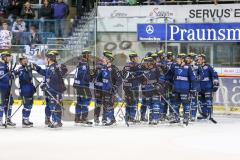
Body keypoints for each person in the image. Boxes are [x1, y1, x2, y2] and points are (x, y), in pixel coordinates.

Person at [33, 50, 68, 128]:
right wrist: (37, 68)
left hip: (54, 91)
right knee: (51, 105)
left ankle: (56, 121)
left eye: (46, 58)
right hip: (50, 90)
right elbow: (46, 74)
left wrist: (46, 85)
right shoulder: (50, 67)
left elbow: (54, 80)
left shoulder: (54, 67)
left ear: (49, 59)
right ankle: (52, 120)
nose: (45, 59)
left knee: (55, 105)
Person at [94, 51, 122, 126]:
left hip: (110, 90)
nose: (103, 59)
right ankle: (106, 119)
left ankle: (111, 120)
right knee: (106, 105)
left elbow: (119, 80)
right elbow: (98, 79)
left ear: (109, 60)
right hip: (103, 90)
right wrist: (97, 84)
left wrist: (115, 87)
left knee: (109, 105)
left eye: (105, 58)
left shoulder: (114, 69)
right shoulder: (103, 68)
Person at [167, 53, 195, 125]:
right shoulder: (174, 66)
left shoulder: (188, 67)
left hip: (185, 90)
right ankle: (176, 118)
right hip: (176, 89)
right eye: (177, 58)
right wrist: (161, 81)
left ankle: (186, 117)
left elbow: (192, 78)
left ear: (183, 60)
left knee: (186, 104)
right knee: (175, 104)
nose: (177, 60)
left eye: (178, 59)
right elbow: (168, 75)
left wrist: (193, 88)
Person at [14, 56, 36, 128]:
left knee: (30, 105)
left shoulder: (29, 67)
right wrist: (13, 72)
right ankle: (24, 121)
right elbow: (15, 74)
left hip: (30, 89)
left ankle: (26, 119)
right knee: (27, 105)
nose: (25, 61)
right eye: (23, 60)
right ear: (20, 62)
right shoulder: (20, 69)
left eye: (26, 60)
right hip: (24, 90)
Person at [140, 57, 163, 125]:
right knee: (150, 104)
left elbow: (162, 78)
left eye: (148, 63)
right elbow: (142, 81)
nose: (146, 64)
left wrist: (158, 85)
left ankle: (155, 118)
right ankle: (151, 117)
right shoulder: (145, 70)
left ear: (151, 63)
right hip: (148, 90)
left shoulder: (157, 69)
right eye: (146, 63)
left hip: (155, 90)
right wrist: (143, 89)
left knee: (155, 103)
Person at [73, 50, 93, 125]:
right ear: (86, 55)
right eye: (89, 55)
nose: (90, 56)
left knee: (79, 102)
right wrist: (91, 77)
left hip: (78, 85)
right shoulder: (84, 64)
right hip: (83, 85)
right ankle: (84, 118)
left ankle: (77, 118)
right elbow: (83, 75)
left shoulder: (80, 63)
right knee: (86, 100)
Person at [197, 54, 219, 120]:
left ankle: (210, 115)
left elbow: (215, 75)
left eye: (200, 59)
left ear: (204, 60)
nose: (198, 60)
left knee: (208, 102)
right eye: (198, 59)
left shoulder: (209, 67)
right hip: (200, 88)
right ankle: (204, 114)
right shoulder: (197, 67)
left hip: (208, 87)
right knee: (201, 102)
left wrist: (215, 84)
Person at [122, 52, 142, 123]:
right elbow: (140, 75)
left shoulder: (126, 65)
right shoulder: (138, 66)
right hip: (134, 86)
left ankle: (127, 116)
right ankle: (132, 117)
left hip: (126, 86)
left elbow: (122, 75)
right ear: (133, 59)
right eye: (136, 57)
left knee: (128, 102)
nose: (137, 59)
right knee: (133, 102)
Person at [0, 50, 16, 127]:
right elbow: (3, 77)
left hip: (7, 87)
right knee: (1, 104)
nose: (9, 58)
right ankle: (0, 120)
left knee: (9, 103)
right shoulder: (1, 65)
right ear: (3, 57)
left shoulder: (5, 65)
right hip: (1, 88)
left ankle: (8, 119)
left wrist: (12, 74)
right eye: (8, 56)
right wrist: (9, 75)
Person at [185, 53, 202, 121]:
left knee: (194, 101)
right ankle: (187, 114)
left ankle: (193, 115)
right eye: (187, 58)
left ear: (192, 59)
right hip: (187, 86)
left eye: (189, 58)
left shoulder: (198, 66)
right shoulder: (186, 65)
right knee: (187, 101)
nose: (187, 59)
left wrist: (196, 79)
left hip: (194, 86)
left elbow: (202, 75)